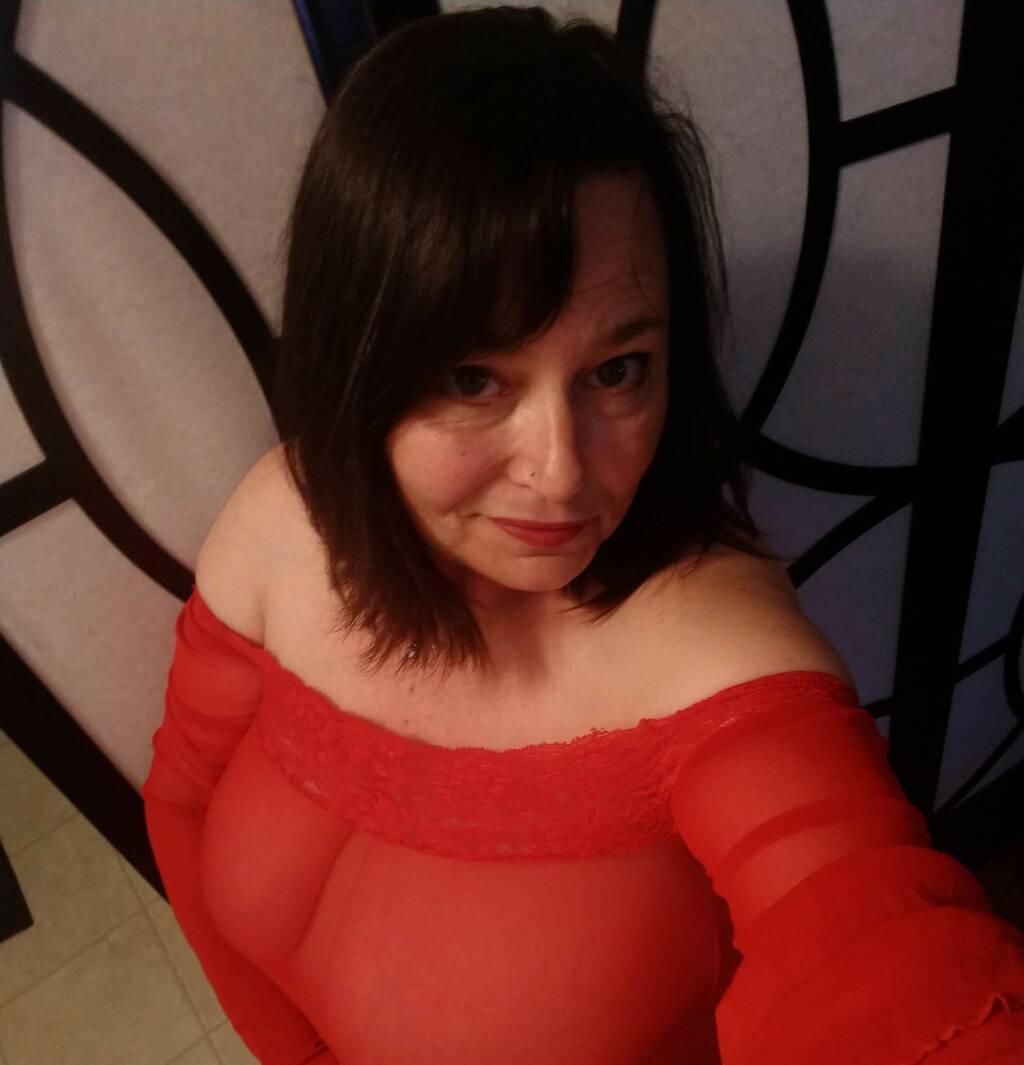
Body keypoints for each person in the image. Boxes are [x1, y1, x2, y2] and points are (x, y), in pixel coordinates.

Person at [141, 8, 1024, 1065]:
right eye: (474, 378)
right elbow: (181, 798)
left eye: (616, 370)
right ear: (359, 359)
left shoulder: (711, 652)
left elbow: (869, 940)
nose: (560, 472)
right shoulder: (288, 519)